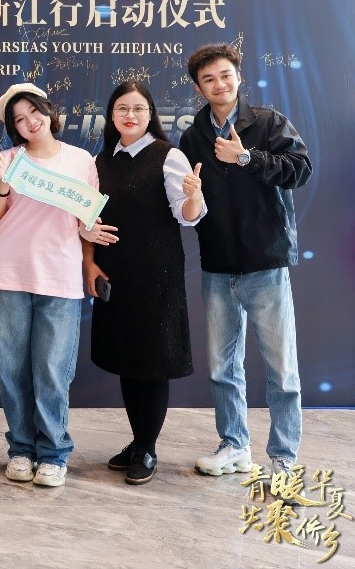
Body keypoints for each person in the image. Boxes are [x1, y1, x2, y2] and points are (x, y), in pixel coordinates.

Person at [179, 43, 312, 478]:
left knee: (281, 369)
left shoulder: (269, 122)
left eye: (225, 75)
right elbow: (190, 200)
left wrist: (247, 158)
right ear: (198, 88)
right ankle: (234, 445)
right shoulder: (193, 136)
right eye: (208, 79)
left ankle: (284, 457)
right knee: (222, 367)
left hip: (265, 262)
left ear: (238, 76)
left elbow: (301, 170)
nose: (219, 84)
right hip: (218, 265)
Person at [82, 81, 205, 485]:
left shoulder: (168, 156)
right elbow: (88, 218)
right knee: (128, 361)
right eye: (122, 108)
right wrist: (89, 259)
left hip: (157, 276)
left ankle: (147, 448)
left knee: (152, 363)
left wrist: (194, 195)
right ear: (111, 115)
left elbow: (187, 215)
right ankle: (138, 441)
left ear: (151, 114)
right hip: (115, 275)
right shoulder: (101, 161)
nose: (130, 115)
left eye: (138, 108)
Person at [0, 83, 98, 488]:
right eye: (19, 119)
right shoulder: (8, 160)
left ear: (48, 111)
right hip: (8, 273)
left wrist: (90, 246)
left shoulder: (81, 160)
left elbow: (87, 216)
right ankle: (20, 449)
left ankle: (52, 453)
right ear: (13, 127)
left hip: (60, 275)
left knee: (51, 370)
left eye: (34, 112)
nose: (30, 122)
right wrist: (2, 184)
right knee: (13, 369)